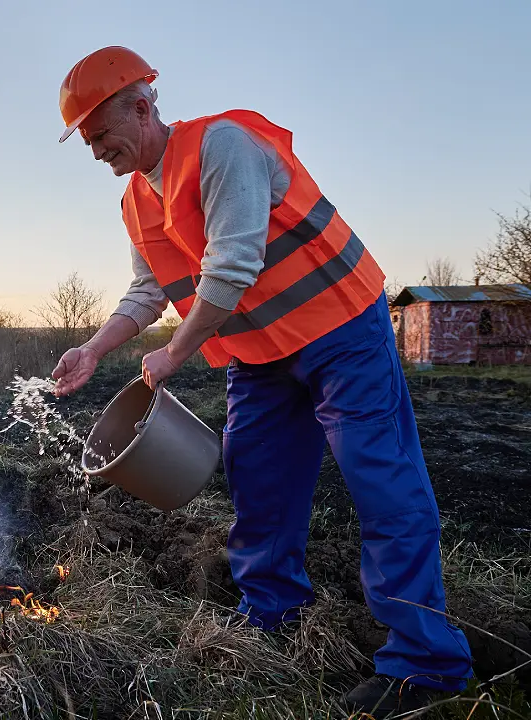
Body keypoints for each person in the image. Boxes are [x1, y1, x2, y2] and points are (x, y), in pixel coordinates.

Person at [49, 46, 473, 716]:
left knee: (381, 481)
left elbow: (232, 267)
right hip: (259, 358)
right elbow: (147, 291)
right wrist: (96, 349)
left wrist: (175, 355)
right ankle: (272, 614)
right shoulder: (136, 202)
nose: (97, 150)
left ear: (142, 105)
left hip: (339, 330)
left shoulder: (224, 147)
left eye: (102, 133)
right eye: (88, 141)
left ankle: (427, 663)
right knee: (259, 487)